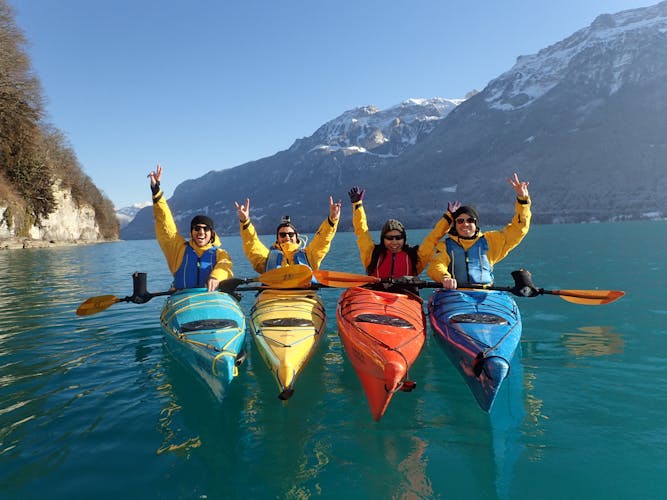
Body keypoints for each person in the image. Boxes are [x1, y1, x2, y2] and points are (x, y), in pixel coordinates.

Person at [427, 172, 531, 289]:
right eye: (460, 221)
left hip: (486, 295)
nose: (465, 224)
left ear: (476, 224)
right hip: (456, 295)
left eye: (470, 220)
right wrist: (444, 277)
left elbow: (519, 229)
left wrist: (523, 201)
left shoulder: (492, 241)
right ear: (455, 225)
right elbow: (436, 265)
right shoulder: (444, 246)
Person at [347, 185, 457, 287]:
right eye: (389, 238)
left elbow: (433, 238)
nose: (394, 242)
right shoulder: (372, 254)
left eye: (398, 238)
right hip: (376, 296)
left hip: (404, 299)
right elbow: (362, 231)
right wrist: (357, 205)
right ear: (383, 239)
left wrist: (448, 218)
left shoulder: (415, 256)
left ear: (404, 239)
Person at [148, 164, 233, 291]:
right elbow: (165, 222)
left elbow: (224, 267)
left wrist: (215, 277)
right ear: (192, 232)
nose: (201, 232)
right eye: (197, 228)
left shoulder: (221, 254)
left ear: (212, 233)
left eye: (206, 229)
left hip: (211, 300)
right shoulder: (178, 250)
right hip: (182, 299)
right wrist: (156, 190)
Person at [234, 196, 341, 274]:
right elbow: (252, 243)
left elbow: (322, 240)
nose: (287, 237)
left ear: (296, 237)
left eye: (290, 234)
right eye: (283, 234)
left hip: (303, 298)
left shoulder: (309, 256)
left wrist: (332, 220)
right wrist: (245, 221)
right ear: (277, 238)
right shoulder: (266, 258)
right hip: (273, 298)